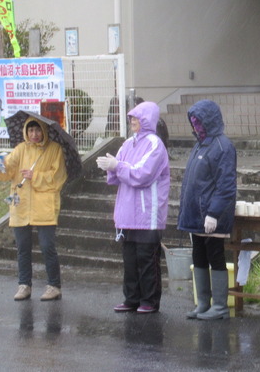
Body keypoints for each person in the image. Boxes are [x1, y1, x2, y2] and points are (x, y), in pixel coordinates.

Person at [98, 101, 170, 314]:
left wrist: (117, 166)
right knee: (130, 259)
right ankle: (132, 298)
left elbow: (143, 174)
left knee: (147, 259)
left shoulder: (155, 144)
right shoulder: (128, 143)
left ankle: (149, 300)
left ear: (147, 119)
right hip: (127, 213)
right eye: (131, 118)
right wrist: (110, 167)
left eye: (136, 118)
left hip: (148, 213)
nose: (132, 121)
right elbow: (118, 173)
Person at [0, 118, 67, 301]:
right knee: (22, 248)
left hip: (45, 206)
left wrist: (36, 176)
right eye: (31, 130)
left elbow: (58, 178)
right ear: (26, 131)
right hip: (21, 204)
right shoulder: (20, 149)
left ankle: (54, 285)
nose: (34, 134)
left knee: (48, 246)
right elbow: (8, 171)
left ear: (44, 131)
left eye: (37, 130)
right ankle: (24, 285)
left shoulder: (54, 149)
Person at [177, 100, 237, 320]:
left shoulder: (222, 146)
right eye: (193, 123)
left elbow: (226, 186)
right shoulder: (200, 144)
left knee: (215, 256)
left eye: (199, 122)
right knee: (199, 256)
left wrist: (213, 213)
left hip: (211, 216)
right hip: (196, 216)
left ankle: (219, 306)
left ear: (209, 121)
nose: (196, 127)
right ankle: (203, 303)